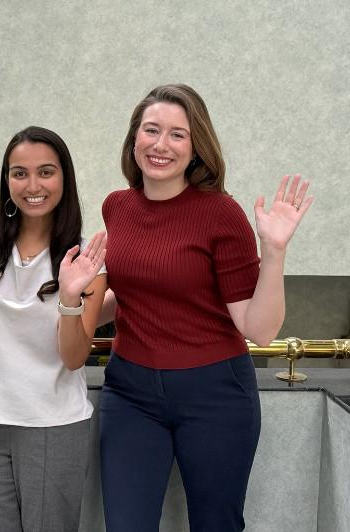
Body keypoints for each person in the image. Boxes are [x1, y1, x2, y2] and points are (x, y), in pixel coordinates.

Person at [99, 83, 314, 532]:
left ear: (196, 147)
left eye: (177, 134)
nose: (161, 144)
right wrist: (64, 307)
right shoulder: (116, 207)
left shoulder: (221, 213)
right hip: (130, 392)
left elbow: (259, 329)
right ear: (134, 137)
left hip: (214, 394)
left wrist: (274, 251)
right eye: (151, 130)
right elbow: (134, 290)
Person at [0, 126, 107, 532]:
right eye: (20, 173)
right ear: (7, 180)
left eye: (46, 172)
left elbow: (73, 358)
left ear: (64, 178)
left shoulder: (86, 260)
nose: (33, 186)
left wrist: (70, 296)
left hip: (56, 428)